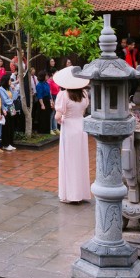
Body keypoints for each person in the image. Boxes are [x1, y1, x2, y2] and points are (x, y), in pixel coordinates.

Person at [53, 67, 91, 203]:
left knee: (69, 160)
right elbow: (83, 111)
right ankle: (82, 193)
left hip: (69, 128)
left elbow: (58, 116)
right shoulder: (84, 93)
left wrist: (60, 119)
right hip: (81, 126)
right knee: (81, 159)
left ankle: (70, 195)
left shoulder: (63, 95)